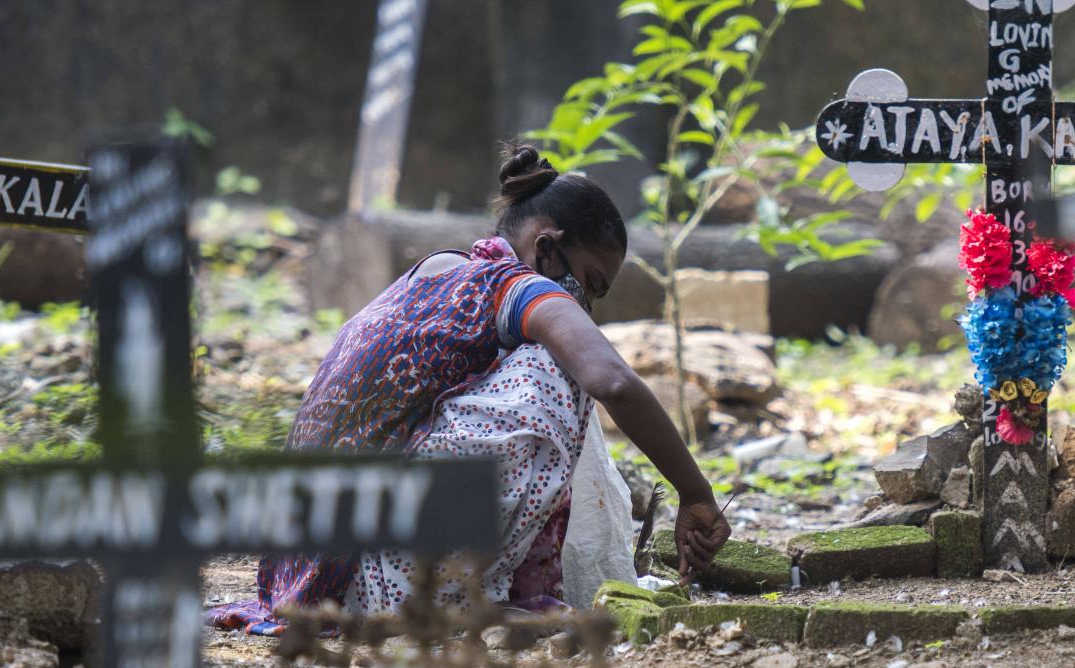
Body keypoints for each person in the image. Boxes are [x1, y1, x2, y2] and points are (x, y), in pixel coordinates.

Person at [206, 145, 730, 635]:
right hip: (372, 581)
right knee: (559, 368)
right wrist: (696, 495)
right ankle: (454, 598)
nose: (584, 306)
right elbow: (611, 380)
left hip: (312, 577)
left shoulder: (441, 270)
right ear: (546, 247)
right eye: (589, 284)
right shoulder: (514, 285)